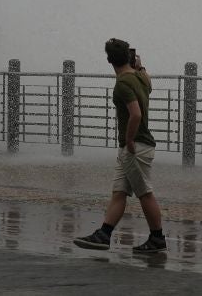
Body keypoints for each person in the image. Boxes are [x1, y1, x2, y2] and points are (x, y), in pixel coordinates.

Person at [73, 38, 166, 253]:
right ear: (129, 57)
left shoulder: (123, 83)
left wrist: (130, 140)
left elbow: (135, 114)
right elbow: (149, 84)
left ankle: (157, 239)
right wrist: (141, 66)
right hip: (133, 146)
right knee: (119, 191)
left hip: (136, 146)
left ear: (109, 60)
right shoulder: (140, 77)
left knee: (145, 193)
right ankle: (104, 234)